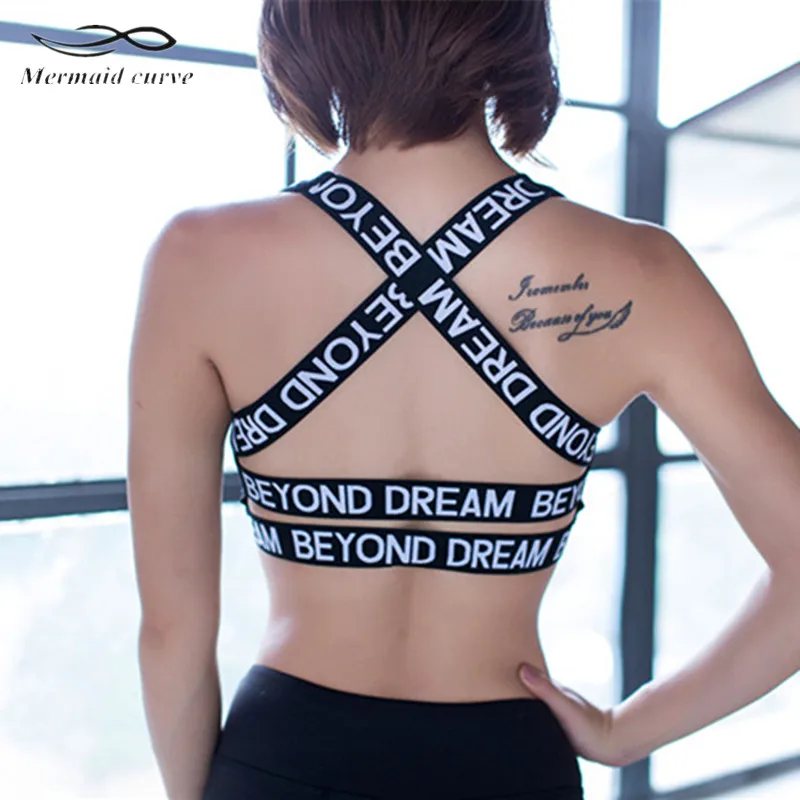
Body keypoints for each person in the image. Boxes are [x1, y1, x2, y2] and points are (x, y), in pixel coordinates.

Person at [126, 1, 800, 798]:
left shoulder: (198, 259)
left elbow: (173, 632)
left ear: (308, 24)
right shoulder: (640, 271)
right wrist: (628, 731)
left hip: (285, 756)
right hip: (510, 762)